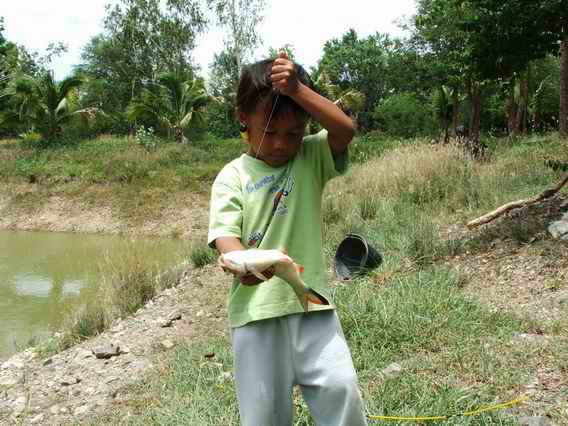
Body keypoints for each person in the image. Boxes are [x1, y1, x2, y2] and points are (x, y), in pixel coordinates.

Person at [207, 52, 367, 426]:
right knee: (264, 416)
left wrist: (297, 89)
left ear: (306, 128)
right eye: (270, 132)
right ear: (243, 119)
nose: (281, 144)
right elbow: (226, 239)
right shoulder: (232, 177)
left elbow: (345, 130)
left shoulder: (310, 157)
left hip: (313, 309)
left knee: (341, 389)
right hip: (255, 316)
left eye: (293, 133)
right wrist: (239, 262)